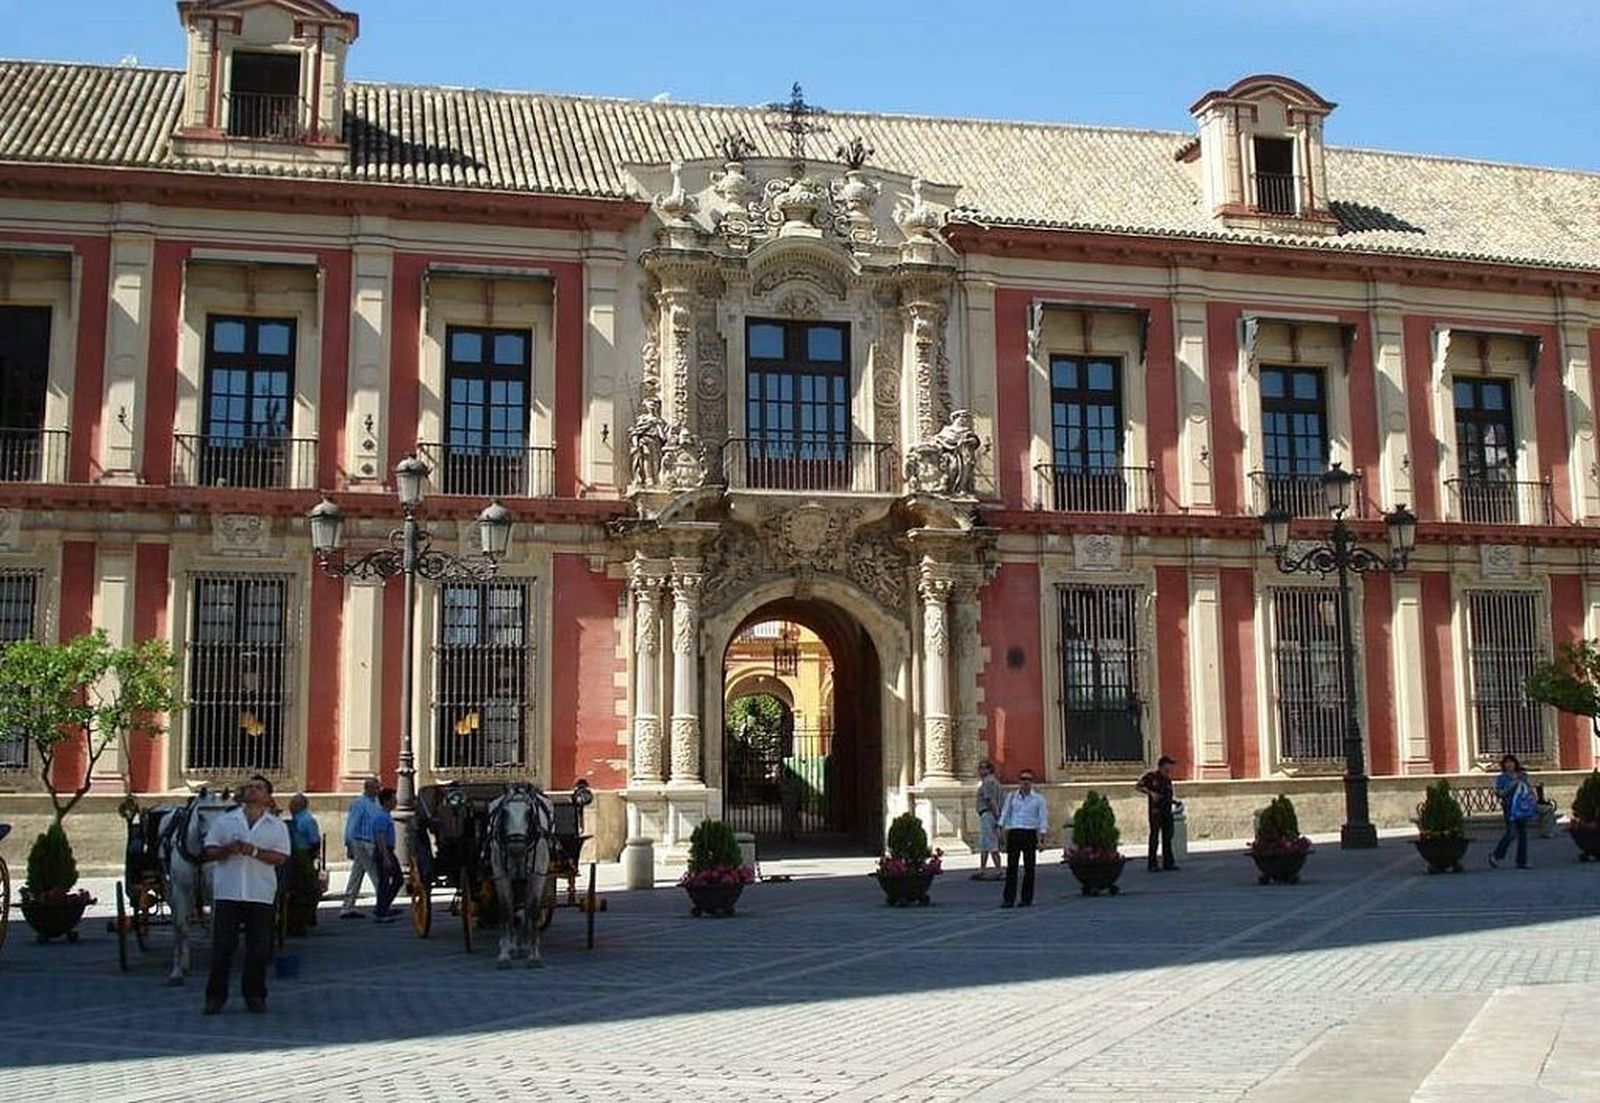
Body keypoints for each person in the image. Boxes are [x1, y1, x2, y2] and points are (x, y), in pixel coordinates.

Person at [202, 775, 289, 1014]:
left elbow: (281, 857)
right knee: (222, 947)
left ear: (268, 797)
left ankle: (255, 995)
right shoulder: (225, 821)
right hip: (228, 892)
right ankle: (215, 997)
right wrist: (226, 850)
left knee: (258, 948)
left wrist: (254, 851)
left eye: (258, 788)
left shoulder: (277, 826)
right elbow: (209, 849)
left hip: (259, 892)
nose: (252, 791)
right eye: (249, 787)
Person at [997, 768, 1049, 908]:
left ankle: (1026, 899)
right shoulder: (1011, 797)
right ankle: (1009, 899)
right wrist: (1001, 833)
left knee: (1029, 868)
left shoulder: (1039, 799)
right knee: (1011, 867)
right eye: (1023, 779)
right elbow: (1005, 815)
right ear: (1019, 781)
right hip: (1014, 832)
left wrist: (1042, 838)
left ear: (1032, 782)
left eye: (1028, 780)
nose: (1025, 782)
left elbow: (1042, 819)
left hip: (1030, 833)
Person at [341, 777, 380, 918]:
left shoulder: (375, 803)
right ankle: (382, 904)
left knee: (356, 875)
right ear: (368, 788)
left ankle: (347, 906)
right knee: (376, 873)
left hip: (370, 842)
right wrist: (349, 844)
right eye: (376, 788)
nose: (378, 790)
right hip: (362, 842)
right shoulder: (360, 803)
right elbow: (352, 825)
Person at [283, 793, 322, 935]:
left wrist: (313, 857)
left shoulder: (306, 819)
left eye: (293, 803)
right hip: (297, 856)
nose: (290, 806)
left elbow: (314, 841)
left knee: (306, 889)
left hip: (303, 855)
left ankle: (301, 921)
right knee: (301, 890)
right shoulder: (297, 819)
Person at [1490, 753, 1537, 870]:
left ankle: (1522, 861)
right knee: (1511, 833)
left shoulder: (1523, 776)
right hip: (1509, 808)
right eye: (1506, 762)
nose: (1509, 765)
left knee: (1523, 835)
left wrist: (1533, 798)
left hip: (1522, 808)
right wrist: (1513, 784)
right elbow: (1500, 793)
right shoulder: (1501, 778)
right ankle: (1496, 855)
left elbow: (1529, 789)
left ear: (1515, 764)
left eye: (1511, 762)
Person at [1136, 756, 1179, 872]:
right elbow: (1139, 786)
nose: (1170, 768)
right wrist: (1151, 793)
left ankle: (1168, 863)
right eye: (1168, 765)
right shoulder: (1151, 777)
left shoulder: (1167, 780)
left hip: (1167, 811)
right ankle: (1152, 864)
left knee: (1167, 837)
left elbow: (1167, 796)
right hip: (1156, 812)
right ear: (1162, 766)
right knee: (1154, 836)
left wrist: (1175, 802)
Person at [371, 788, 401, 923]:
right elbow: (380, 837)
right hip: (384, 850)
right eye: (394, 799)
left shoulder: (385, 815)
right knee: (386, 881)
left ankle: (382, 907)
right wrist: (385, 857)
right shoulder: (381, 816)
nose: (396, 802)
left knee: (394, 879)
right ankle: (382, 912)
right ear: (387, 801)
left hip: (387, 850)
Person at [972, 761, 1003, 880]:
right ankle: (982, 869)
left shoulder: (988, 782)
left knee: (991, 843)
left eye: (982, 768)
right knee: (984, 843)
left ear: (989, 769)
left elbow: (991, 801)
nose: (979, 771)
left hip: (988, 814)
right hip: (989, 814)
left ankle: (999, 870)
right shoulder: (994, 782)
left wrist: (997, 816)